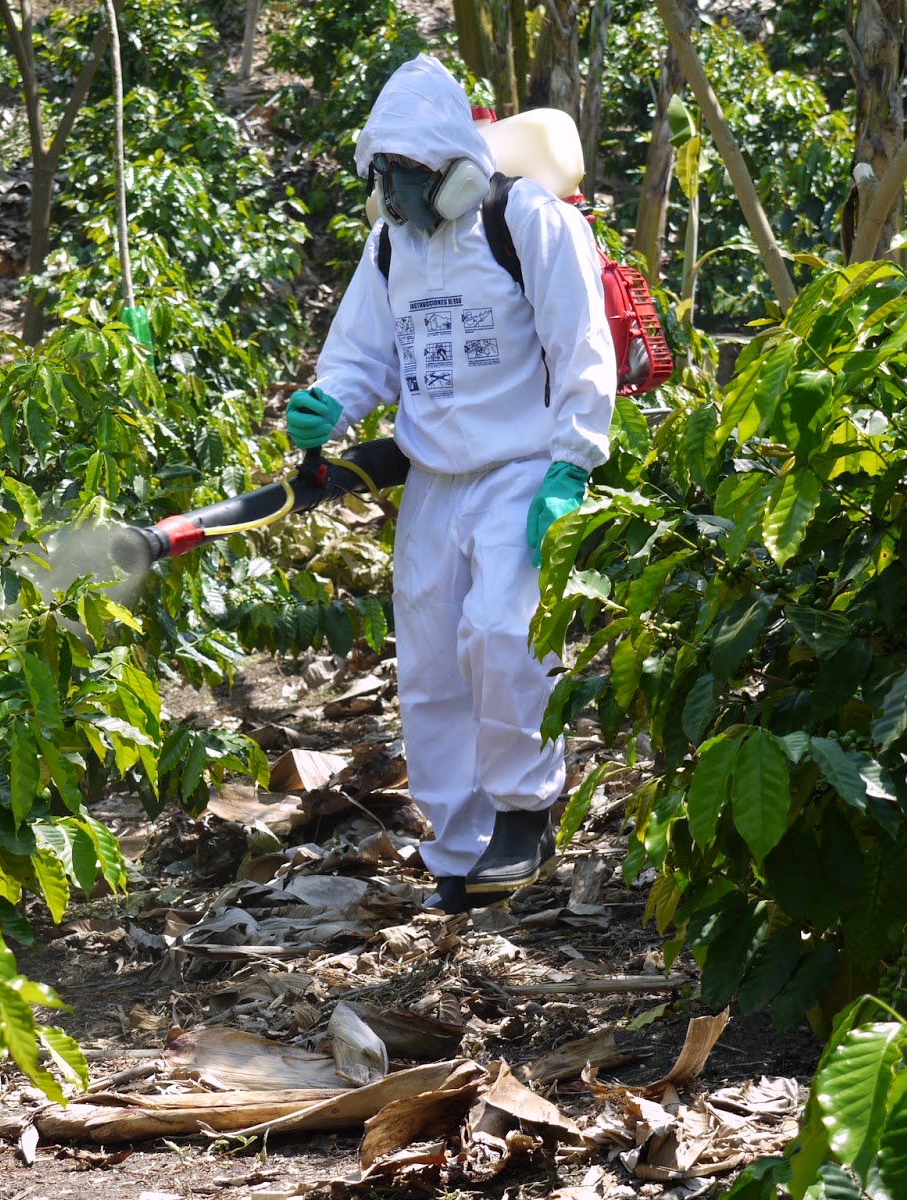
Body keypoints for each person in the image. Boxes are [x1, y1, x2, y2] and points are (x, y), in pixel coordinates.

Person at [286, 54, 616, 915]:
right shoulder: (390, 245)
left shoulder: (527, 220)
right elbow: (362, 354)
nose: (394, 194)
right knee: (433, 667)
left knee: (504, 636)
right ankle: (460, 850)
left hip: (522, 468)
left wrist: (572, 465)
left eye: (406, 174)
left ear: (451, 167)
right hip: (434, 480)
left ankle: (524, 815)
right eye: (384, 178)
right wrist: (329, 405)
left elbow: (583, 346)